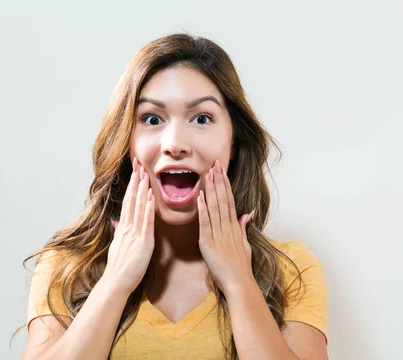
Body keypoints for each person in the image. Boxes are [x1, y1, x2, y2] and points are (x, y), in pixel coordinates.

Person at [20, 33, 328, 360]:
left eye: (201, 118)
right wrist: (116, 280)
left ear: (234, 143)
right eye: (152, 119)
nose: (175, 143)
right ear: (126, 143)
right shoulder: (66, 266)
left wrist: (239, 281)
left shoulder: (291, 269)